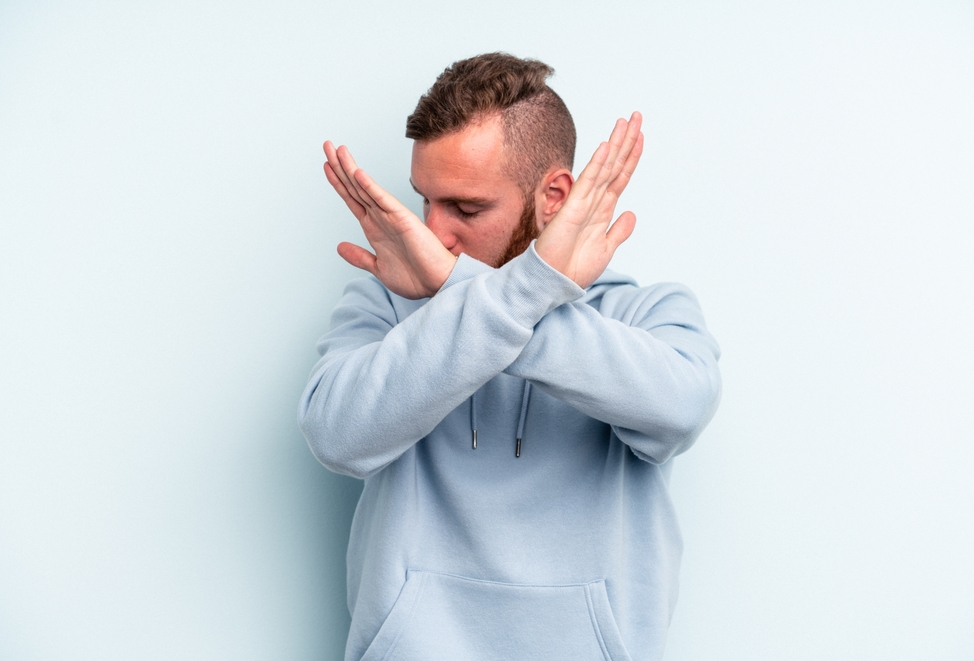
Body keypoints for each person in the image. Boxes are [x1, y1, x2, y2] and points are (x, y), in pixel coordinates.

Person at [299, 53, 721, 661]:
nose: (435, 236)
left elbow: (678, 410)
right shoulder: (387, 305)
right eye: (426, 201)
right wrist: (514, 290)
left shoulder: (646, 315)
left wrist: (504, 292)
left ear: (554, 197)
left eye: (467, 209)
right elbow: (337, 436)